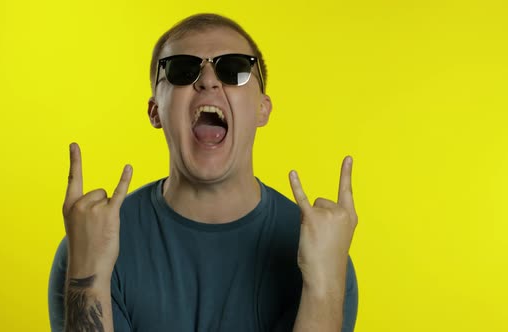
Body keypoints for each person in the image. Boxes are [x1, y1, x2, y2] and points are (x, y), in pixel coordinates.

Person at [48, 13, 358, 332]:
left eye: (234, 68)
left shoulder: (323, 250)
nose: (208, 80)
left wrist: (324, 286)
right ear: (156, 111)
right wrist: (88, 276)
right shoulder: (90, 243)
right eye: (182, 70)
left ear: (262, 108)